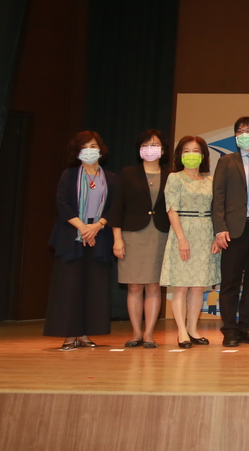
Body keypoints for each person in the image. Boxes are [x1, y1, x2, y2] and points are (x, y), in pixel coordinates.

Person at [44, 131, 118, 349]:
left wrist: (97, 226)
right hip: (72, 236)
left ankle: (85, 334)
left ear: (101, 149)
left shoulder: (111, 178)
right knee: (69, 287)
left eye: (93, 146)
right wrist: (84, 228)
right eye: (84, 147)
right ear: (78, 152)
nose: (89, 150)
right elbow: (62, 204)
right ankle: (69, 334)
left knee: (94, 287)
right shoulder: (69, 175)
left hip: (100, 236)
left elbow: (114, 207)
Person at [212, 117, 249, 348]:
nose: (244, 134)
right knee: (230, 282)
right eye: (240, 131)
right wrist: (220, 228)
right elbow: (218, 197)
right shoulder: (227, 162)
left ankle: (247, 328)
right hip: (234, 230)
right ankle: (230, 330)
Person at [110, 129, 170, 349]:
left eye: (155, 145)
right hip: (132, 235)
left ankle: (149, 334)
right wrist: (117, 239)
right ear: (139, 150)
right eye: (146, 145)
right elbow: (117, 209)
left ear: (162, 150)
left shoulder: (170, 175)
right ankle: (136, 332)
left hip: (160, 235)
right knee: (134, 286)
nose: (150, 149)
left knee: (154, 286)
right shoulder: (127, 174)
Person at [160, 136, 221, 349]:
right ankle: (182, 332)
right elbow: (172, 209)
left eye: (195, 150)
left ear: (203, 155)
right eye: (186, 150)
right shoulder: (175, 179)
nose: (191, 154)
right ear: (180, 155)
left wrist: (215, 236)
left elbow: (216, 211)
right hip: (183, 231)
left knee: (198, 286)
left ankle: (193, 329)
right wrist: (181, 238)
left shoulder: (210, 181)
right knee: (181, 286)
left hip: (206, 233)